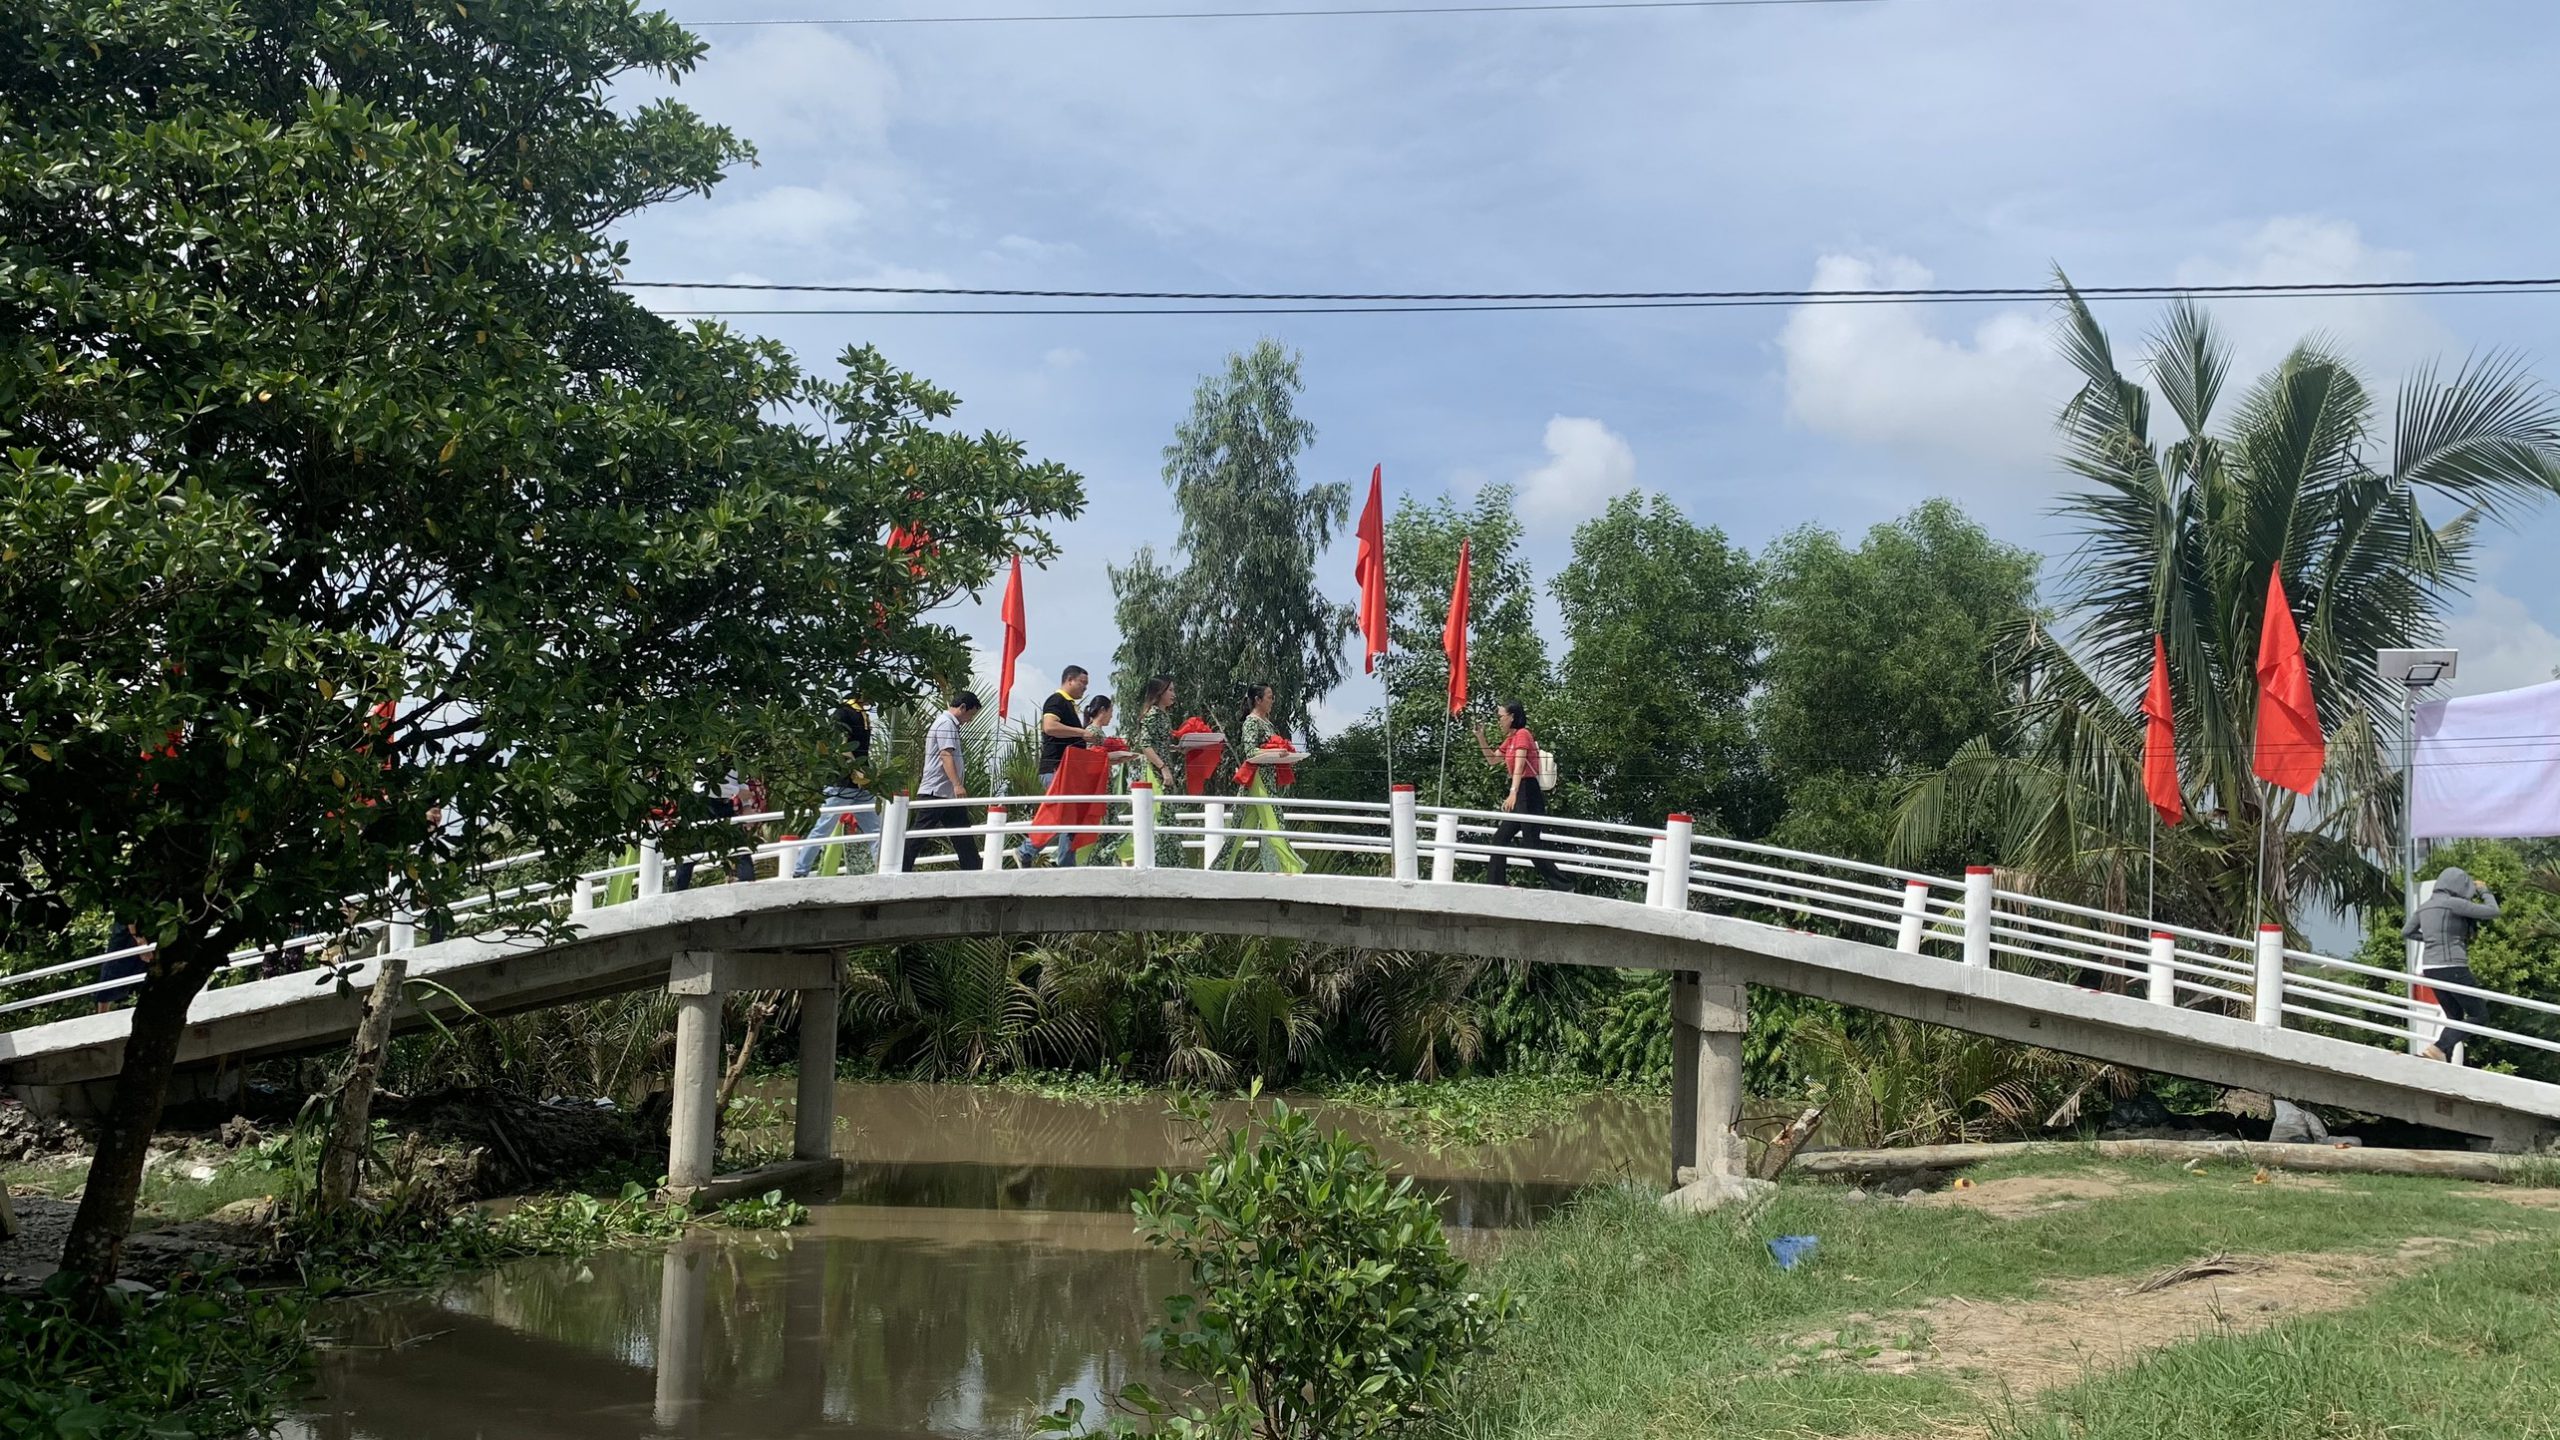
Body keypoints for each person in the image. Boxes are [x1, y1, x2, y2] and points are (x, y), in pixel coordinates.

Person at [2403, 865, 2502, 1063]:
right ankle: (2438, 1048)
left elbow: (2407, 932)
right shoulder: (2454, 904)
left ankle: (2442, 1057)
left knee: (2454, 1015)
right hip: (2453, 967)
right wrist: (2484, 890)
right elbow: (2493, 911)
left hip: (2430, 969)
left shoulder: (2425, 906)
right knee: (2479, 1015)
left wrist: (2431, 939)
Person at [1474, 700, 1571, 890]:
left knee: (1531, 844)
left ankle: (1564, 885)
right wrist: (1480, 737)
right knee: (1500, 839)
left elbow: (1519, 767)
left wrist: (1513, 792)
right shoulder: (1510, 739)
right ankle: (1495, 885)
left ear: (1512, 717)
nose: (1499, 721)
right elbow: (1492, 759)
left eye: (1501, 717)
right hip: (1521, 793)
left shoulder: (1523, 735)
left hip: (1528, 792)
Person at [1022, 694, 1126, 866]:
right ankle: (1031, 851)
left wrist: (1115, 757)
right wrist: (1114, 756)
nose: (1112, 716)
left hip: (1085, 781)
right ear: (1103, 710)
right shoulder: (1092, 733)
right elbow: (1090, 759)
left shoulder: (1094, 732)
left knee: (1070, 820)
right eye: (1110, 711)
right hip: (1082, 781)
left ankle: (1062, 861)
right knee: (1065, 817)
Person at [794, 698, 880, 878]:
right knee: (823, 828)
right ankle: (800, 871)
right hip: (841, 782)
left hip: (862, 784)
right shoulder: (843, 713)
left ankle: (883, 868)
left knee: (875, 830)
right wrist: (855, 769)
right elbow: (841, 746)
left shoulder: (862, 713)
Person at [904, 691, 985, 872]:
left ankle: (973, 871)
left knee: (963, 836)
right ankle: (900, 867)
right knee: (919, 836)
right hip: (936, 791)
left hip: (946, 794)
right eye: (971, 714)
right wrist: (957, 784)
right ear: (962, 707)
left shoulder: (949, 725)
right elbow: (946, 755)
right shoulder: (946, 723)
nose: (970, 720)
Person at [1230, 682, 1304, 874]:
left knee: (1244, 823)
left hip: (1268, 777)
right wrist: (1275, 752)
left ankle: (1224, 866)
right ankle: (1292, 868)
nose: (1272, 701)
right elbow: (1250, 751)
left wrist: (1283, 755)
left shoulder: (1266, 722)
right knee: (1274, 820)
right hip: (1258, 777)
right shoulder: (1252, 722)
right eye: (1270, 697)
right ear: (1258, 700)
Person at [1035, 666, 1098, 790]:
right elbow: (1050, 726)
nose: (1085, 687)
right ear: (1070, 680)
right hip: (1055, 770)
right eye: (1082, 682)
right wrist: (1081, 733)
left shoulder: (1067, 703)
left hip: (1067, 770)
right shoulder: (1057, 700)